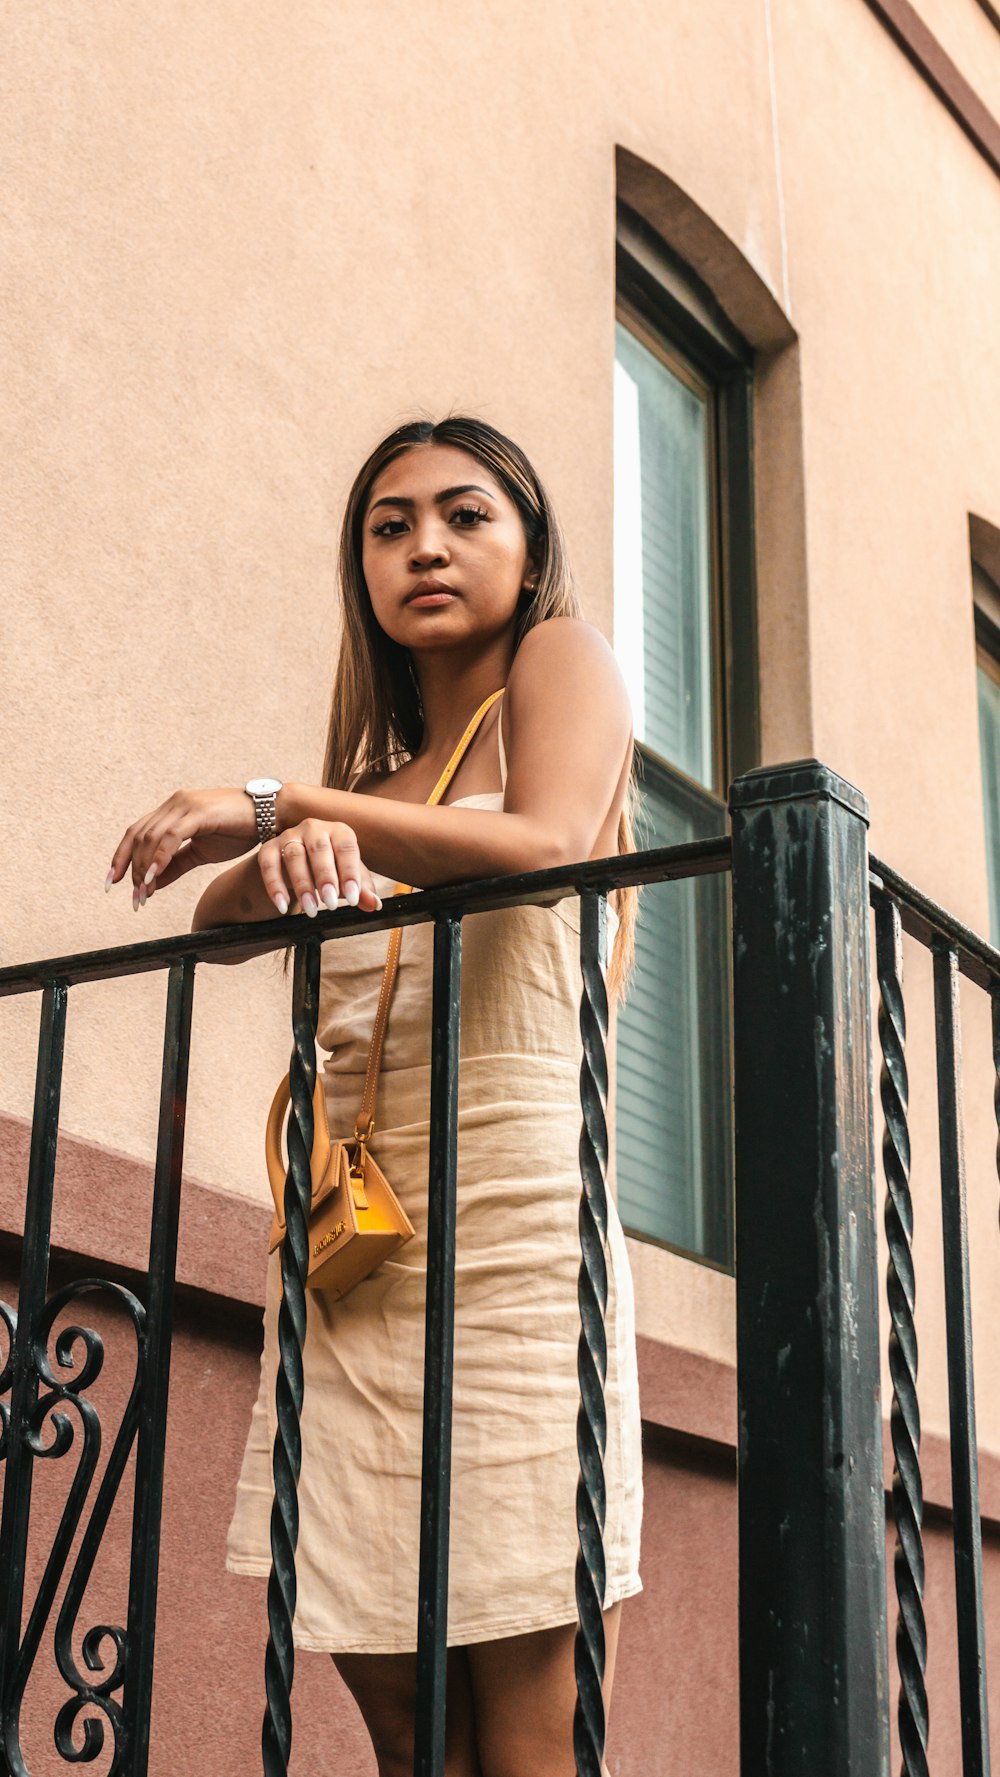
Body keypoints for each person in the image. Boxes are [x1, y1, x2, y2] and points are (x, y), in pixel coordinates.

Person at [108, 416, 643, 1776]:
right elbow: (220, 925)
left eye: (467, 516)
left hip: (515, 1245)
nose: (426, 547)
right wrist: (282, 842)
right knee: (410, 1739)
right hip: (355, 1264)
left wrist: (274, 799)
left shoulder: (558, 665)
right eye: (391, 525)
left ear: (529, 549)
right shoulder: (378, 787)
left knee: (530, 1746)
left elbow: (539, 838)